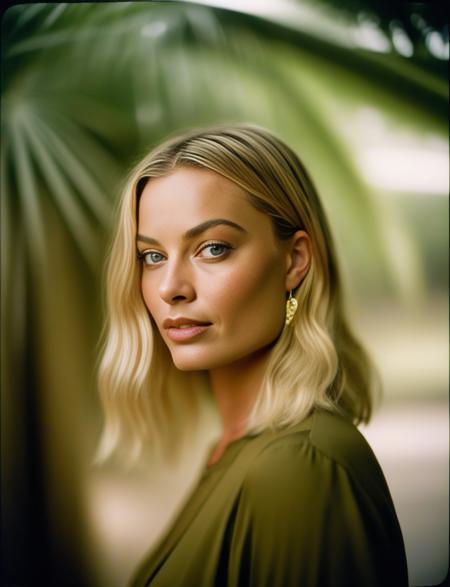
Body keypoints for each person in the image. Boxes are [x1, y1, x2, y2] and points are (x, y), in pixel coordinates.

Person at [96, 123, 409, 586]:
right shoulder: (237, 450)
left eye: (212, 249)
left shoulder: (300, 469)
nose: (170, 289)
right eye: (152, 256)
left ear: (294, 261)